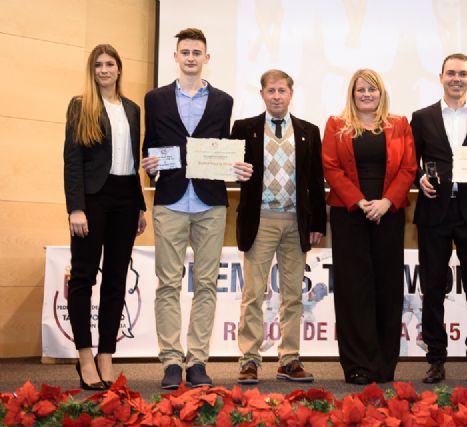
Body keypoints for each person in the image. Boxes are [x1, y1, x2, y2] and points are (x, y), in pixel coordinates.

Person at [141, 28, 252, 389]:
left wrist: (238, 167)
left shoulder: (223, 101)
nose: (190, 57)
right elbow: (151, 147)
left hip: (210, 201)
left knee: (206, 284)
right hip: (170, 200)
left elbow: (226, 148)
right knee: (167, 284)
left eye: (197, 52)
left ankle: (198, 361)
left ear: (207, 58)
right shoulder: (155, 99)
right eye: (185, 51)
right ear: (175, 56)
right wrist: (150, 164)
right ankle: (172, 360)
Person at [232, 69, 326, 385]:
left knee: (292, 295)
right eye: (270, 91)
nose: (276, 96)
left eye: (282, 90)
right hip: (260, 220)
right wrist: (235, 170)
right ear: (262, 94)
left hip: (295, 221)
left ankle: (289, 359)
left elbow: (315, 181)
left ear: (290, 94)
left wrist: (317, 223)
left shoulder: (308, 132)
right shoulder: (244, 129)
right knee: (254, 292)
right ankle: (249, 360)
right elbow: (231, 171)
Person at [322, 69, 416, 385]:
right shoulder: (336, 125)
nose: (366, 94)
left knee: (387, 289)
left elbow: (408, 168)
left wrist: (386, 202)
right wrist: (361, 202)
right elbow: (331, 168)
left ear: (381, 93)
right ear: (352, 93)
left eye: (372, 90)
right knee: (353, 291)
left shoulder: (400, 125)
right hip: (350, 215)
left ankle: (384, 364)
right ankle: (357, 365)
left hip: (388, 214)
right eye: (361, 89)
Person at [63, 44, 146, 390]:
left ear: (119, 69)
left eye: (110, 63)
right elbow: (72, 159)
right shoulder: (81, 106)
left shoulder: (132, 108)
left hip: (127, 198)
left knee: (116, 279)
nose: (104, 69)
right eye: (98, 64)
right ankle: (84, 357)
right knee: (83, 277)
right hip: (93, 199)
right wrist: (76, 207)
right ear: (92, 70)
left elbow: (133, 160)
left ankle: (106, 355)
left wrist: (140, 204)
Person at [411, 53, 467, 384]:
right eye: (451, 73)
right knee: (432, 289)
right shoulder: (421, 117)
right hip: (434, 214)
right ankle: (435, 358)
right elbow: (410, 163)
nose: (456, 78)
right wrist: (419, 178)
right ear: (441, 77)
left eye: (463, 74)